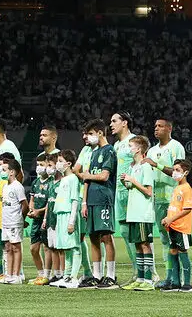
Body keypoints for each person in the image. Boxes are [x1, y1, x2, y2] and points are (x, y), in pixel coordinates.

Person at [143, 118, 186, 288]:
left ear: (169, 128)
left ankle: (179, 278)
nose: (156, 128)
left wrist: (156, 165)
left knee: (175, 239)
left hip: (173, 199)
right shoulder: (152, 150)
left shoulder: (176, 147)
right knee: (163, 239)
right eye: (155, 126)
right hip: (157, 199)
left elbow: (179, 174)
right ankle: (169, 277)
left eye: (160, 126)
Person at [79, 119, 119, 289]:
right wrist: (84, 202)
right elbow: (87, 180)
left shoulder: (109, 151)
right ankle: (97, 275)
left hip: (104, 198)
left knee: (106, 237)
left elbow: (104, 176)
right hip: (92, 200)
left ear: (100, 133)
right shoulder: (93, 153)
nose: (87, 137)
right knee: (93, 237)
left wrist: (86, 175)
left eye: (90, 134)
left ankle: (110, 276)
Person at [110, 111, 143, 285]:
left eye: (114, 121)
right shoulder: (116, 145)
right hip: (119, 193)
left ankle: (147, 273)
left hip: (133, 192)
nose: (111, 124)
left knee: (137, 234)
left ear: (125, 123)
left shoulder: (135, 141)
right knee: (124, 232)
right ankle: (137, 272)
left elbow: (142, 163)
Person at [0, 118, 22, 279]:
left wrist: (14, 192)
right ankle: (0, 267)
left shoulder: (9, 147)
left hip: (7, 197)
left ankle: (15, 271)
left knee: (8, 236)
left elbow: (18, 171)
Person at [120, 136, 156, 291]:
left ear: (139, 149)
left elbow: (149, 192)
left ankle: (149, 280)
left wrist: (133, 181)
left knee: (144, 244)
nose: (128, 149)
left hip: (143, 213)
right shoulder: (133, 166)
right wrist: (126, 183)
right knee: (137, 246)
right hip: (133, 212)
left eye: (130, 146)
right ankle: (140, 278)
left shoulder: (146, 166)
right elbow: (134, 187)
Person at [160, 159, 192, 293]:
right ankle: (175, 283)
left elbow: (187, 209)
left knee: (183, 252)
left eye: (177, 170)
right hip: (172, 227)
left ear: (185, 172)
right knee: (173, 251)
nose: (174, 173)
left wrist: (171, 219)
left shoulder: (186, 188)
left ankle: (187, 284)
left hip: (182, 227)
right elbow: (174, 207)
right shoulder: (177, 187)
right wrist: (167, 219)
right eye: (174, 170)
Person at [54, 150, 83, 289]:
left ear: (69, 163)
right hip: (60, 215)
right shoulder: (63, 180)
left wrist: (72, 221)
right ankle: (66, 277)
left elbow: (74, 201)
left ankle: (74, 278)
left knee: (74, 247)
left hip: (68, 215)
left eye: (60, 161)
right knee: (66, 248)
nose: (58, 164)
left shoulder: (73, 179)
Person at [72, 129, 95, 285]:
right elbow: (76, 169)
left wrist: (88, 177)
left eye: (88, 133)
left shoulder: (103, 150)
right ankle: (88, 272)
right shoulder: (85, 149)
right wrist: (85, 177)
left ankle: (99, 274)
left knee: (97, 237)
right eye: (84, 133)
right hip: (82, 196)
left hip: (96, 195)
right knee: (80, 237)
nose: (84, 136)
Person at [1, 159, 29, 285]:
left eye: (4, 170)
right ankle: (9, 274)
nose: (1, 172)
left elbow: (25, 205)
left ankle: (17, 275)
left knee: (15, 247)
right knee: (8, 248)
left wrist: (21, 219)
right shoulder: (5, 186)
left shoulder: (17, 186)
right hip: (6, 222)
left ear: (11, 172)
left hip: (14, 222)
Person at [29, 154, 52, 285]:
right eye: (38, 165)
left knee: (47, 248)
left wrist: (40, 211)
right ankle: (40, 274)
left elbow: (50, 203)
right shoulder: (35, 182)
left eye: (42, 165)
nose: (39, 167)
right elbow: (32, 199)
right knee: (33, 249)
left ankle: (47, 275)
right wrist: (32, 210)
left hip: (46, 219)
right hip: (35, 220)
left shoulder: (51, 182)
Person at [44, 158, 63, 286]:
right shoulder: (50, 182)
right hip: (50, 219)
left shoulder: (63, 182)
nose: (48, 168)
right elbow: (48, 202)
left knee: (60, 248)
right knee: (52, 248)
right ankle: (56, 274)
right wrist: (45, 218)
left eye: (50, 165)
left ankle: (63, 274)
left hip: (58, 219)